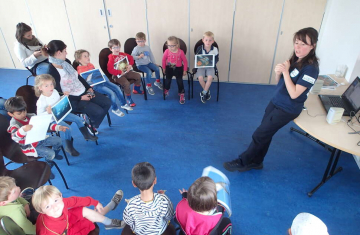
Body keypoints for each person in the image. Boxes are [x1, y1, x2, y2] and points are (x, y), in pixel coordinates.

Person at [223, 27, 320, 172]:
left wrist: (286, 72)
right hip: (276, 102)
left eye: (303, 44)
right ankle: (257, 161)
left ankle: (243, 162)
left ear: (313, 46)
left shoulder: (311, 69)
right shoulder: (295, 59)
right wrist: (278, 73)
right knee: (265, 134)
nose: (297, 47)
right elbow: (280, 83)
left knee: (260, 134)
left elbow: (294, 94)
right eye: (296, 42)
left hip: (287, 108)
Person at [43, 40, 111, 135]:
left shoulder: (65, 62)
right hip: (73, 100)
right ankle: (89, 124)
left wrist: (88, 87)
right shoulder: (52, 72)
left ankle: (92, 124)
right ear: (59, 53)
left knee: (107, 102)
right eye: (65, 51)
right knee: (98, 111)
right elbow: (59, 94)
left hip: (83, 91)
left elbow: (77, 76)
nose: (66, 53)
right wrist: (80, 97)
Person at [35, 74, 98, 156]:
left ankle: (86, 135)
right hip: (52, 119)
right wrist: (48, 112)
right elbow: (39, 116)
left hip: (61, 113)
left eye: (51, 84)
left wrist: (64, 97)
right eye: (46, 86)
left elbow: (59, 102)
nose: (50, 87)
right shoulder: (41, 101)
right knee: (67, 128)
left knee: (78, 119)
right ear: (40, 88)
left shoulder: (55, 92)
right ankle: (69, 146)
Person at [4, 96, 67, 179]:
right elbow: (15, 137)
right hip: (30, 146)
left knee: (58, 140)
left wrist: (58, 127)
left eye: (24, 111)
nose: (23, 114)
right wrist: (23, 130)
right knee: (50, 153)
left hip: (40, 138)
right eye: (19, 113)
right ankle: (47, 169)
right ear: (10, 114)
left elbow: (45, 125)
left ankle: (54, 156)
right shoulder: (14, 124)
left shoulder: (31, 116)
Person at [32, 185, 126, 234]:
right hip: (64, 232)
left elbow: (76, 201)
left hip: (66, 220)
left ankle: (108, 222)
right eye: (47, 206)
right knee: (89, 218)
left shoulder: (62, 202)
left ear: (61, 196)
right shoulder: (45, 231)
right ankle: (110, 207)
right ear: (41, 211)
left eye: (56, 201)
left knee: (83, 210)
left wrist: (94, 202)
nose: (55, 207)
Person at [74, 49, 132, 118]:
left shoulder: (91, 64)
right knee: (111, 93)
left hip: (101, 81)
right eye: (85, 56)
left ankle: (123, 104)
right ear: (79, 60)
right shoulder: (80, 70)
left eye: (88, 56)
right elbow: (85, 82)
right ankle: (115, 109)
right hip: (94, 86)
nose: (88, 58)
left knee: (117, 88)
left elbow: (96, 74)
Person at [122, 162, 175, 235]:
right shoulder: (164, 200)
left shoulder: (131, 205)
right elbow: (169, 216)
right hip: (160, 232)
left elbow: (128, 221)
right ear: (155, 180)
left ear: (134, 184)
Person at [107, 39, 143, 107]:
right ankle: (129, 99)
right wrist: (119, 72)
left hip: (126, 72)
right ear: (110, 49)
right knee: (126, 83)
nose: (117, 49)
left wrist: (130, 65)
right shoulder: (111, 58)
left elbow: (131, 58)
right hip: (117, 75)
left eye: (118, 47)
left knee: (138, 76)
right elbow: (110, 70)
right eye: (114, 48)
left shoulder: (122, 54)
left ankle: (136, 89)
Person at [162, 36, 188, 104]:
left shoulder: (181, 52)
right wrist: (164, 68)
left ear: (177, 45)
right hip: (169, 68)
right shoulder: (167, 51)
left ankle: (181, 93)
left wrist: (184, 70)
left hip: (178, 68)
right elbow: (164, 60)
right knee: (167, 80)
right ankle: (166, 89)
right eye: (169, 45)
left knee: (179, 81)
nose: (170, 47)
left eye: (172, 46)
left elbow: (185, 61)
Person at [195, 31, 219, 103]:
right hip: (201, 66)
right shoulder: (199, 48)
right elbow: (196, 58)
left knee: (210, 77)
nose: (208, 42)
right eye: (206, 40)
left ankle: (204, 93)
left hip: (210, 66)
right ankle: (207, 91)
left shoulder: (215, 49)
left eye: (210, 40)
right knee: (200, 78)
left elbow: (217, 58)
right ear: (203, 40)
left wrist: (212, 62)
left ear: (213, 41)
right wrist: (199, 63)